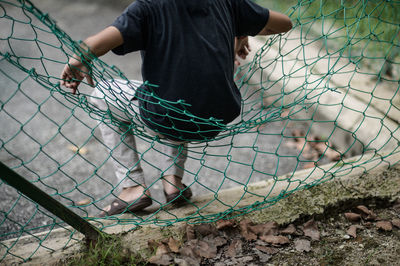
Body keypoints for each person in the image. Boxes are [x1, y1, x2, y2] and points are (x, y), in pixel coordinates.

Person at [60, 0, 292, 217]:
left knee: (103, 93)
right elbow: (284, 24)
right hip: (217, 115)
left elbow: (97, 43)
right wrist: (241, 33)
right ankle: (173, 182)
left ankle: (132, 187)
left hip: (171, 114)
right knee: (174, 93)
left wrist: (77, 59)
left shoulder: (148, 7)